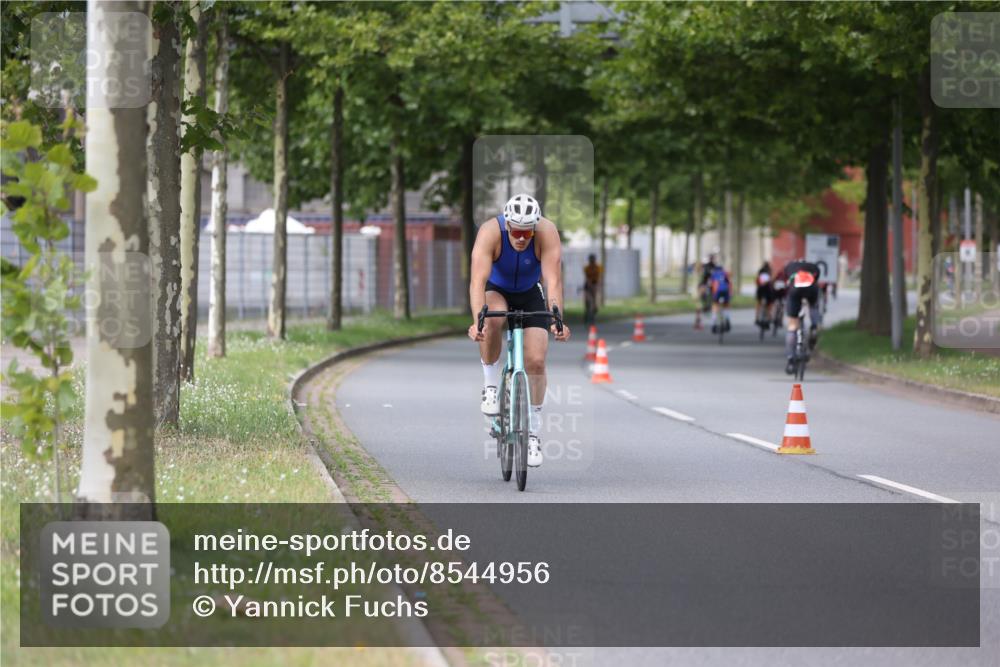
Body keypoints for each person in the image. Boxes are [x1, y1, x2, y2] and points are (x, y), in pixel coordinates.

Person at [468, 193, 571, 468]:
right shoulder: (490, 232)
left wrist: (557, 320)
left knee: (536, 360)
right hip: (496, 290)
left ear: (535, 227)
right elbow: (477, 281)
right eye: (516, 231)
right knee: (491, 321)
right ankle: (490, 385)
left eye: (527, 232)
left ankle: (533, 433)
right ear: (507, 225)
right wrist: (477, 320)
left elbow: (552, 280)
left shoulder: (546, 232)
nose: (522, 237)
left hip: (530, 293)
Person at [782, 257, 822, 374]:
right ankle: (814, 327)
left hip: (795, 291)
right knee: (813, 307)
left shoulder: (790, 266)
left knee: (793, 325)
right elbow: (816, 280)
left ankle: (790, 360)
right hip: (811, 290)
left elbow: (787, 282)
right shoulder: (814, 267)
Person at [694, 253, 718, 330]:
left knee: (702, 302)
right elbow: (699, 271)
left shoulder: (714, 267)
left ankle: (706, 310)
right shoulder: (706, 266)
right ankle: (698, 321)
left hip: (708, 286)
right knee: (700, 302)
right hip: (703, 285)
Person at [708, 262, 732, 333]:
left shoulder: (714, 274)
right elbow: (729, 284)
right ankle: (727, 320)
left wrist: (710, 292)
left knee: (715, 306)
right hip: (725, 292)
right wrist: (730, 294)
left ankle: (713, 324)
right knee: (726, 305)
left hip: (717, 292)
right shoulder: (725, 274)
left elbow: (710, 284)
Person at [583, 254, 602, 325]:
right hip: (588, 286)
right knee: (587, 300)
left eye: (593, 260)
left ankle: (594, 310)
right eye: (591, 260)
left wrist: (597, 286)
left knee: (595, 300)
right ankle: (587, 313)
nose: (592, 262)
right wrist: (590, 285)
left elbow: (599, 277)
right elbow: (587, 278)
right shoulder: (587, 268)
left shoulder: (598, 267)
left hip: (595, 284)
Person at [754, 261, 775, 326]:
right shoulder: (770, 271)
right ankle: (769, 316)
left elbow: (757, 280)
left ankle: (757, 317)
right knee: (770, 304)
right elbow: (772, 281)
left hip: (760, 290)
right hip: (768, 290)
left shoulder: (760, 271)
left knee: (758, 303)